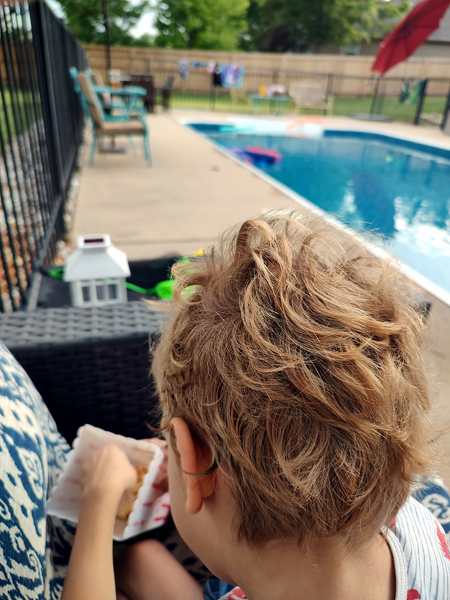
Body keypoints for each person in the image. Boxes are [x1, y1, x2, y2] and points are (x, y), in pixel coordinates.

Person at [62, 215, 450, 600]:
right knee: (140, 559)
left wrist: (99, 500)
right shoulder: (415, 526)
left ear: (194, 464)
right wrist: (194, 462)